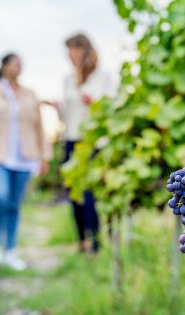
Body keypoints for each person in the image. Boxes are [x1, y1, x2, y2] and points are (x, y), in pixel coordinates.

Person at [0, 53, 52, 270]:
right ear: (4, 67)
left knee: (14, 204)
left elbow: (39, 127)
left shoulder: (29, 95)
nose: (19, 68)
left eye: (21, 64)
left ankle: (11, 251)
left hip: (24, 158)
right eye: (15, 64)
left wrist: (44, 156)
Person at [58, 34, 113, 253]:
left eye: (71, 50)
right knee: (74, 192)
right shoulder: (68, 79)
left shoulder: (102, 77)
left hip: (93, 142)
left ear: (83, 50)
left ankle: (96, 241)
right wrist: (57, 108)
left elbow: (110, 107)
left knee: (91, 194)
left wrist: (94, 103)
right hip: (71, 140)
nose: (69, 55)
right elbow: (66, 117)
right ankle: (81, 239)